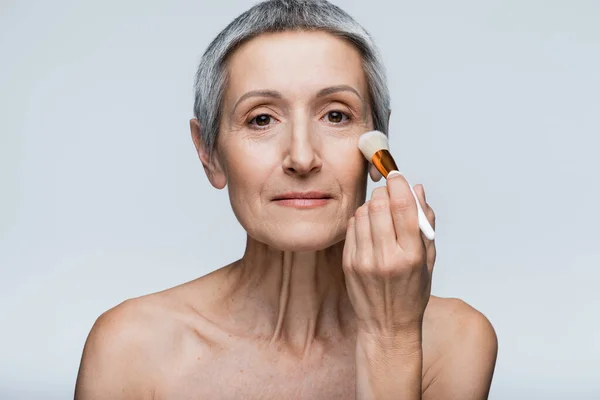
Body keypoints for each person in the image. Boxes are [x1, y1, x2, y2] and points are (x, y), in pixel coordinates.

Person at [74, 0, 498, 398]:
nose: (301, 157)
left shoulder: (455, 341)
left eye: (336, 115)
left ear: (379, 146)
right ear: (209, 154)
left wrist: (391, 338)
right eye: (261, 119)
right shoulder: (128, 350)